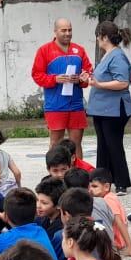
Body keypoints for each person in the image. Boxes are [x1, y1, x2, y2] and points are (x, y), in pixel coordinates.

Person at [84, 21, 131, 193]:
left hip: (113, 110)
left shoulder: (117, 56)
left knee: (113, 145)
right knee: (103, 146)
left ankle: (121, 181)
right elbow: (104, 78)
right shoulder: (108, 55)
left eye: (98, 36)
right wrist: (91, 79)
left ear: (104, 37)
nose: (97, 40)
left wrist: (99, 84)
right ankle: (103, 181)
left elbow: (122, 82)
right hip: (102, 109)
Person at [32, 17, 92, 158]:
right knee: (55, 144)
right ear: (55, 31)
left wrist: (82, 79)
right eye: (63, 30)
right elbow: (36, 75)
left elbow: (88, 72)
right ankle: (54, 177)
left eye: (70, 30)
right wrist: (55, 79)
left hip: (76, 105)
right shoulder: (44, 50)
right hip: (55, 106)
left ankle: (78, 176)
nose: (67, 33)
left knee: (76, 144)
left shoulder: (79, 50)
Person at [87, 168, 131, 256]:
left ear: (106, 187)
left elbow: (119, 222)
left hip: (115, 242)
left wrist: (130, 248)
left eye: (95, 186)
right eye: (89, 186)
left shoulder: (108, 199)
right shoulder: (106, 197)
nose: (90, 190)